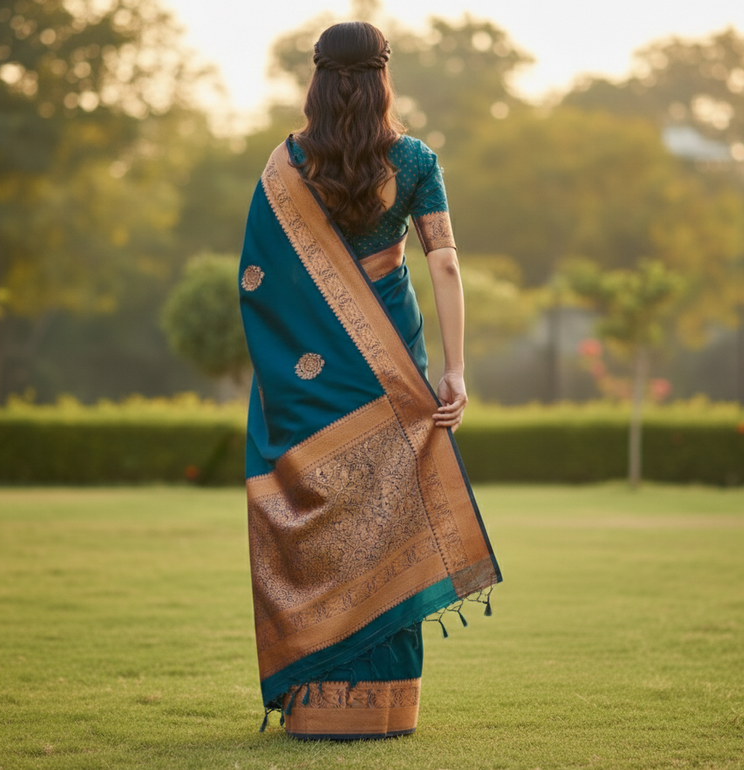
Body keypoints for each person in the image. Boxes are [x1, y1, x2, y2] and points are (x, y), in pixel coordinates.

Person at [238, 20, 501, 741]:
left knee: (326, 515)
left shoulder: (286, 165)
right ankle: (388, 705)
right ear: (384, 76)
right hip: (393, 365)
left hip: (314, 376)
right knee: (388, 516)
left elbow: (261, 285)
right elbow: (443, 262)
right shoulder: (413, 159)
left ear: (318, 79)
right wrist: (455, 369)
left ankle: (318, 700)